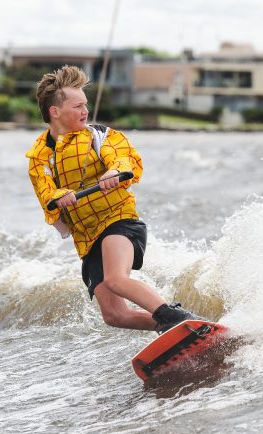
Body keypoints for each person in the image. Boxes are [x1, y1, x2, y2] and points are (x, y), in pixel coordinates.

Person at [26, 65, 200, 333]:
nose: (85, 111)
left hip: (117, 221)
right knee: (115, 315)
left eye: (85, 105)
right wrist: (61, 196)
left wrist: (113, 171)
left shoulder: (100, 135)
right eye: (78, 106)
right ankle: (177, 330)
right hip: (87, 239)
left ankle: (180, 319)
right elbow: (45, 192)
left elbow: (122, 158)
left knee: (116, 279)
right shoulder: (39, 156)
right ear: (55, 111)